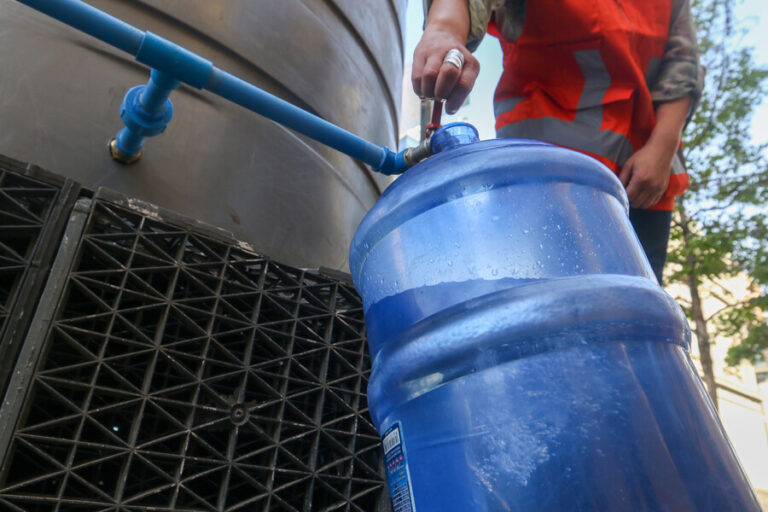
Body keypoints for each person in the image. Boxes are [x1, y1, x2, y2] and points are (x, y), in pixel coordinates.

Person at [412, 0, 704, 283]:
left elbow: (683, 60)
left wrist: (662, 149)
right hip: (548, 170)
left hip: (645, 182)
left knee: (639, 313)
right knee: (557, 303)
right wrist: (444, 31)